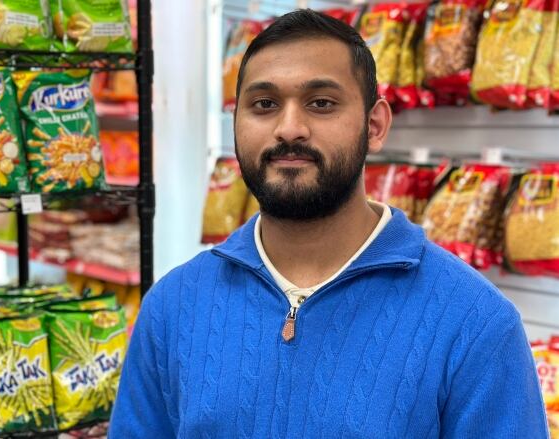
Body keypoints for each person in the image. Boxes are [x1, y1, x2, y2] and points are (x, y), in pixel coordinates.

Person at [109, 9, 547, 438]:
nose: (290, 128)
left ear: (374, 125)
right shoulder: (173, 306)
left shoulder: (475, 323)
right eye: (264, 104)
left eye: (321, 103)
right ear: (236, 122)